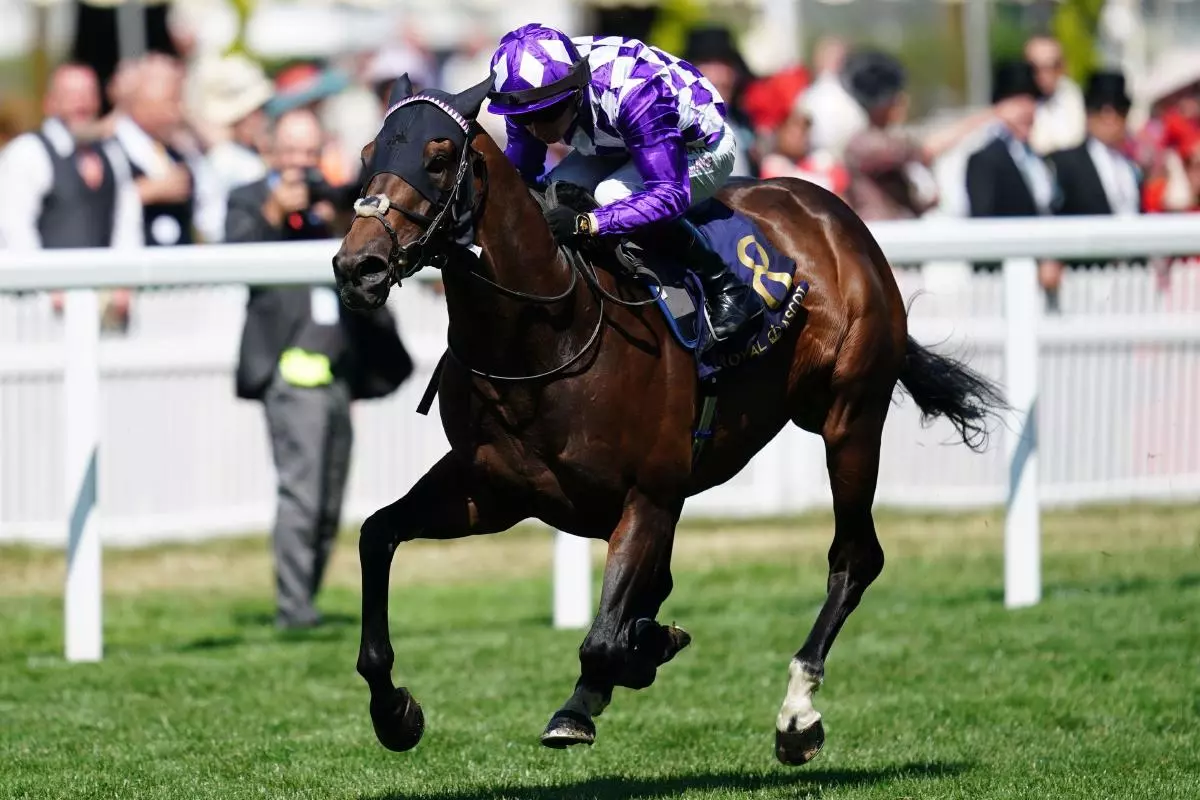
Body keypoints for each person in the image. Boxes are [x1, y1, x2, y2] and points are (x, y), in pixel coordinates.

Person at [227, 108, 413, 629]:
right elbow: (233, 258)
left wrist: (335, 217)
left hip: (339, 375)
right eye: (290, 152)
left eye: (309, 153)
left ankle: (303, 601)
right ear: (269, 152)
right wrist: (273, 211)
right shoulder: (247, 199)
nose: (300, 165)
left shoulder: (339, 204)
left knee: (329, 501)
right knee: (302, 495)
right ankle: (294, 609)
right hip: (290, 374)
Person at [484, 22, 764, 341]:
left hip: (698, 145)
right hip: (620, 139)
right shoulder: (527, 92)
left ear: (576, 90)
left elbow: (669, 194)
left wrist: (586, 223)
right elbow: (521, 173)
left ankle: (724, 284)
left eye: (548, 114)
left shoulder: (635, 91)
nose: (536, 129)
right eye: (523, 119)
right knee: (552, 194)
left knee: (610, 195)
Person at [0, 62, 143, 330]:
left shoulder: (112, 153)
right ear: (50, 103)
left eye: (88, 94)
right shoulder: (28, 152)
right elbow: (14, 228)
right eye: (71, 96)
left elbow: (126, 224)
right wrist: (46, 287)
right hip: (41, 313)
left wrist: (124, 282)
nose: (82, 104)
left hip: (106, 308)